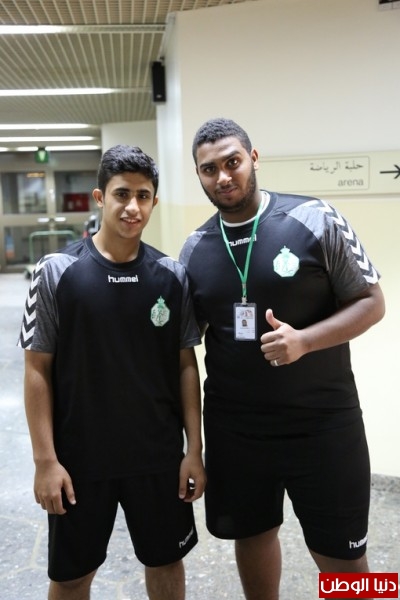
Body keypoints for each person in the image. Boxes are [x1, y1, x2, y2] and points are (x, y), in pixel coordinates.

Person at [179, 118, 385, 600]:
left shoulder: (315, 218)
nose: (223, 177)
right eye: (209, 169)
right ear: (200, 175)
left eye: (232, 162)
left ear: (254, 158)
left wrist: (305, 341)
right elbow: (183, 349)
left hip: (324, 425)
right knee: (251, 537)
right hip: (237, 432)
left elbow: (372, 302)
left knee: (345, 556)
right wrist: (191, 445)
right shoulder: (194, 250)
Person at [18, 144, 206, 600]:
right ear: (100, 197)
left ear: (154, 202)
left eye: (143, 196)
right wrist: (45, 461)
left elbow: (185, 365)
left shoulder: (172, 275)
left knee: (166, 562)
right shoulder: (56, 272)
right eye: (122, 194)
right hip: (80, 460)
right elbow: (37, 368)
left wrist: (194, 449)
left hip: (157, 456)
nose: (132, 207)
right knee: (71, 578)